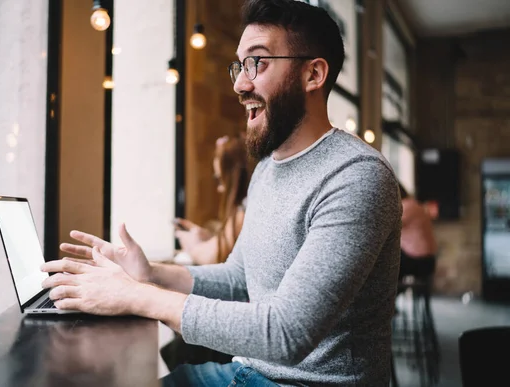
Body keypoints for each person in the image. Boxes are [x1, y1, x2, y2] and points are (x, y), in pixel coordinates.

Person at [41, 1, 402, 385]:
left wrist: (136, 295)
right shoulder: (267, 169)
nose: (239, 84)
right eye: (239, 65)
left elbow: (287, 333)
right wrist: (151, 273)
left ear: (313, 74)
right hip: (249, 372)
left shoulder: (356, 178)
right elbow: (239, 279)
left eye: (257, 63)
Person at [174, 134, 249, 265]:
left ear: (235, 179)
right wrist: (209, 238)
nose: (220, 189)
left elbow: (213, 257)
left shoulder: (244, 212)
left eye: (220, 180)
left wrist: (192, 245)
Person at [398, 183, 438, 279]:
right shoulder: (416, 205)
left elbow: (389, 226)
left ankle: (387, 292)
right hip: (429, 259)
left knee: (385, 260)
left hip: (417, 260)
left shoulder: (405, 206)